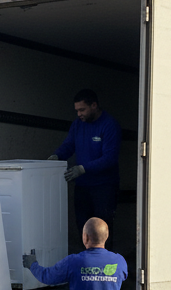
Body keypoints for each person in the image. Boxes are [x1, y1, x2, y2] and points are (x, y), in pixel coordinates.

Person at [49, 88, 121, 238]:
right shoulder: (77, 124)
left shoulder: (109, 125)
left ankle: (104, 261)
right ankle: (86, 260)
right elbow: (69, 145)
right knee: (83, 227)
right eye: (77, 110)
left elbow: (110, 158)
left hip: (104, 187)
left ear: (94, 105)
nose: (79, 114)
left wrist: (83, 168)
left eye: (82, 109)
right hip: (82, 187)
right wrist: (57, 156)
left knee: (102, 229)